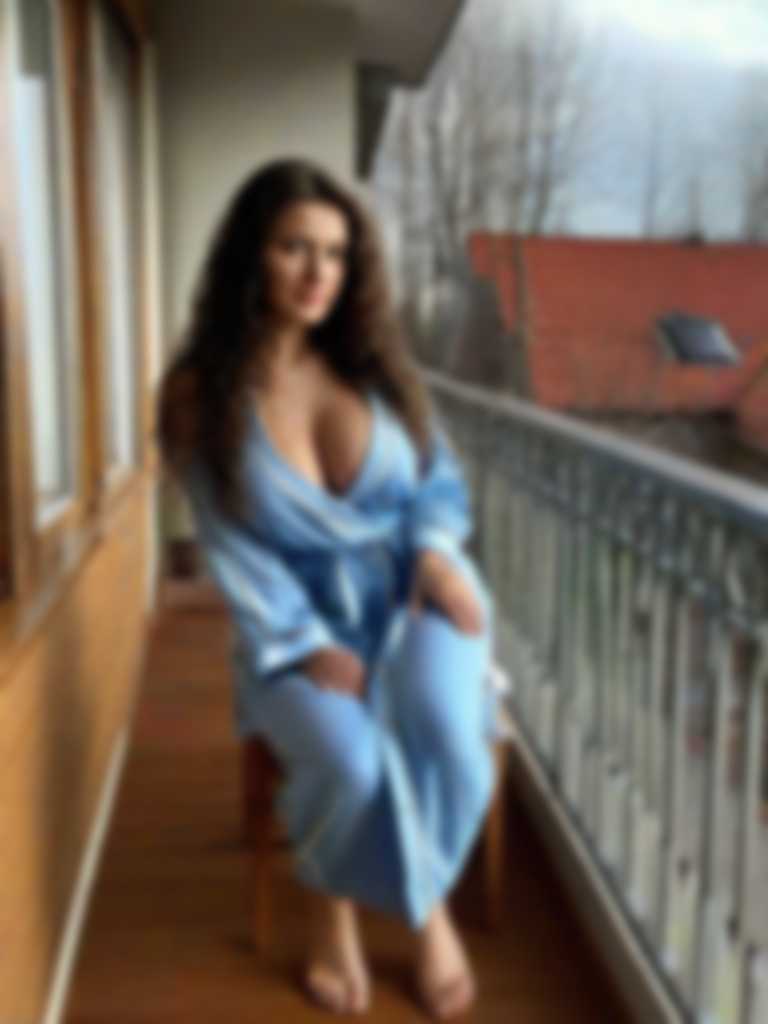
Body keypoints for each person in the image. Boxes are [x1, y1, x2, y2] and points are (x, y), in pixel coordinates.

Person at [156, 156, 501, 1019]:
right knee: (348, 761)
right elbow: (228, 540)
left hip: (415, 589)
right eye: (294, 248)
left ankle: (422, 905)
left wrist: (434, 553)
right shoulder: (199, 395)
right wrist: (304, 643)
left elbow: (439, 480)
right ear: (251, 254)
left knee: (447, 732)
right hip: (288, 621)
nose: (319, 273)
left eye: (337, 254)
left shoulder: (374, 366)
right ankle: (336, 906)